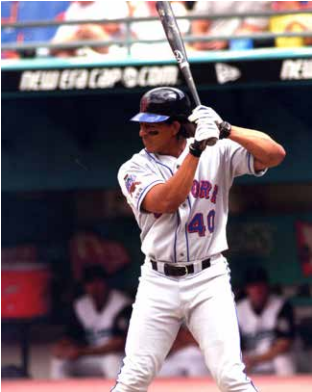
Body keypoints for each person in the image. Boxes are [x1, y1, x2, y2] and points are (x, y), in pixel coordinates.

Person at [114, 86, 286, 391]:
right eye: (141, 125)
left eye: (151, 126)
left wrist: (226, 129)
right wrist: (196, 150)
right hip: (158, 280)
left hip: (209, 278)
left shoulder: (216, 149)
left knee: (231, 377)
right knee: (134, 378)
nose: (142, 132)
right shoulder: (133, 168)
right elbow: (167, 200)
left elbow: (275, 155)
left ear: (175, 126)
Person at [50, 265, 132, 379]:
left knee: (111, 361)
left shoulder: (122, 304)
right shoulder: (81, 305)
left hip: (119, 358)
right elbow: (71, 335)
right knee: (59, 362)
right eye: (90, 283)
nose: (94, 287)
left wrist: (82, 352)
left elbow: (120, 344)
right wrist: (61, 347)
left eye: (98, 282)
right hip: (92, 357)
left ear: (106, 283)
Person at [236, 266, 296, 375]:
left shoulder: (281, 306)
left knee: (283, 360)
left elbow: (284, 344)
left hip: (273, 357)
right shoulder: (238, 310)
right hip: (249, 359)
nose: (257, 290)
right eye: (253, 286)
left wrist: (256, 359)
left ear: (267, 286)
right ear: (247, 289)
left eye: (260, 285)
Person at [50, 1, 129, 57]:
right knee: (62, 54)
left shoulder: (113, 3)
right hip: (79, 48)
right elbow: (58, 40)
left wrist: (89, 29)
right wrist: (81, 34)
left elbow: (113, 26)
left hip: (112, 50)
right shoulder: (73, 8)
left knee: (91, 30)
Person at [192, 1, 271, 51]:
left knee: (243, 42)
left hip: (238, 46)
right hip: (210, 43)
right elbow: (199, 22)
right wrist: (201, 38)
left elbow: (252, 28)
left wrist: (227, 40)